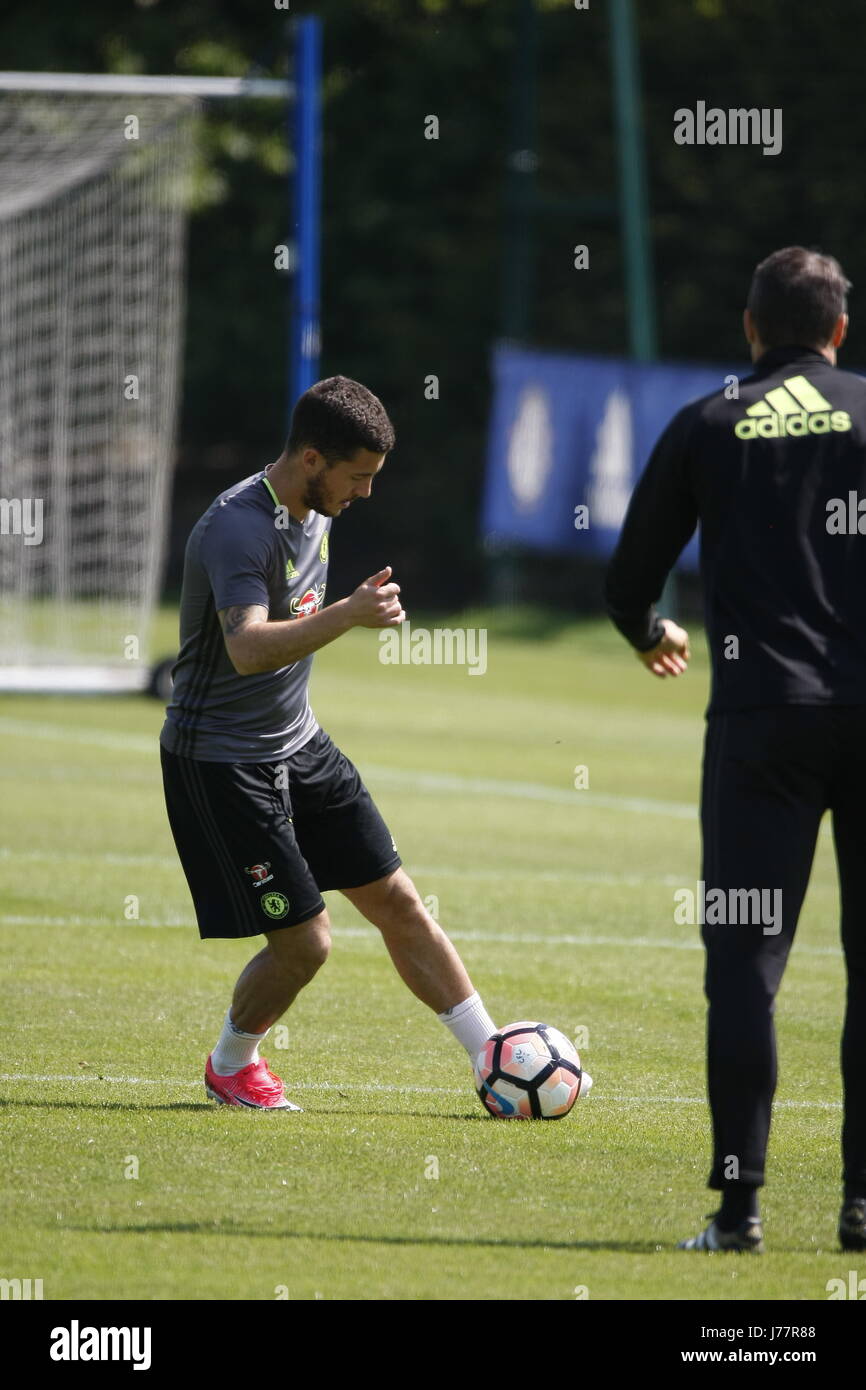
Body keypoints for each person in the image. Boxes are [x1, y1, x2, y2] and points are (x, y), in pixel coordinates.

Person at [605, 247, 866, 1254]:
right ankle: (858, 1207)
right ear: (837, 331)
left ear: (750, 329)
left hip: (761, 723)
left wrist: (647, 633)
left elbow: (628, 577)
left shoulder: (707, 422)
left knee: (745, 970)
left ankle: (738, 1210)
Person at [160, 375, 497, 1109]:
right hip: (221, 760)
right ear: (311, 459)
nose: (366, 493)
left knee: (398, 901)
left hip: (299, 743)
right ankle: (230, 1065)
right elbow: (247, 648)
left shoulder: (318, 505)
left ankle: (494, 1059)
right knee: (306, 942)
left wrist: (346, 612)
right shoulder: (236, 527)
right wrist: (349, 614)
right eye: (359, 477)